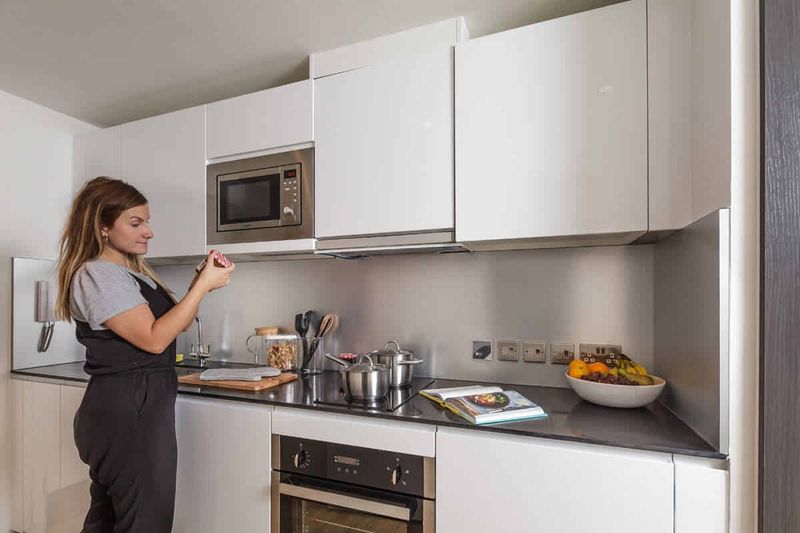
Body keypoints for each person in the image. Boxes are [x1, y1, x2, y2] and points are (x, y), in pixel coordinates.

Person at [54, 176, 235, 532]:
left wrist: (199, 284)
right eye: (136, 223)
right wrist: (201, 287)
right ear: (103, 227)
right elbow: (153, 340)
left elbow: (173, 325)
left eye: (147, 222)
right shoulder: (99, 274)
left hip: (132, 407)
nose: (148, 232)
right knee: (146, 523)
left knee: (108, 521)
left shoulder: (130, 273)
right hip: (127, 411)